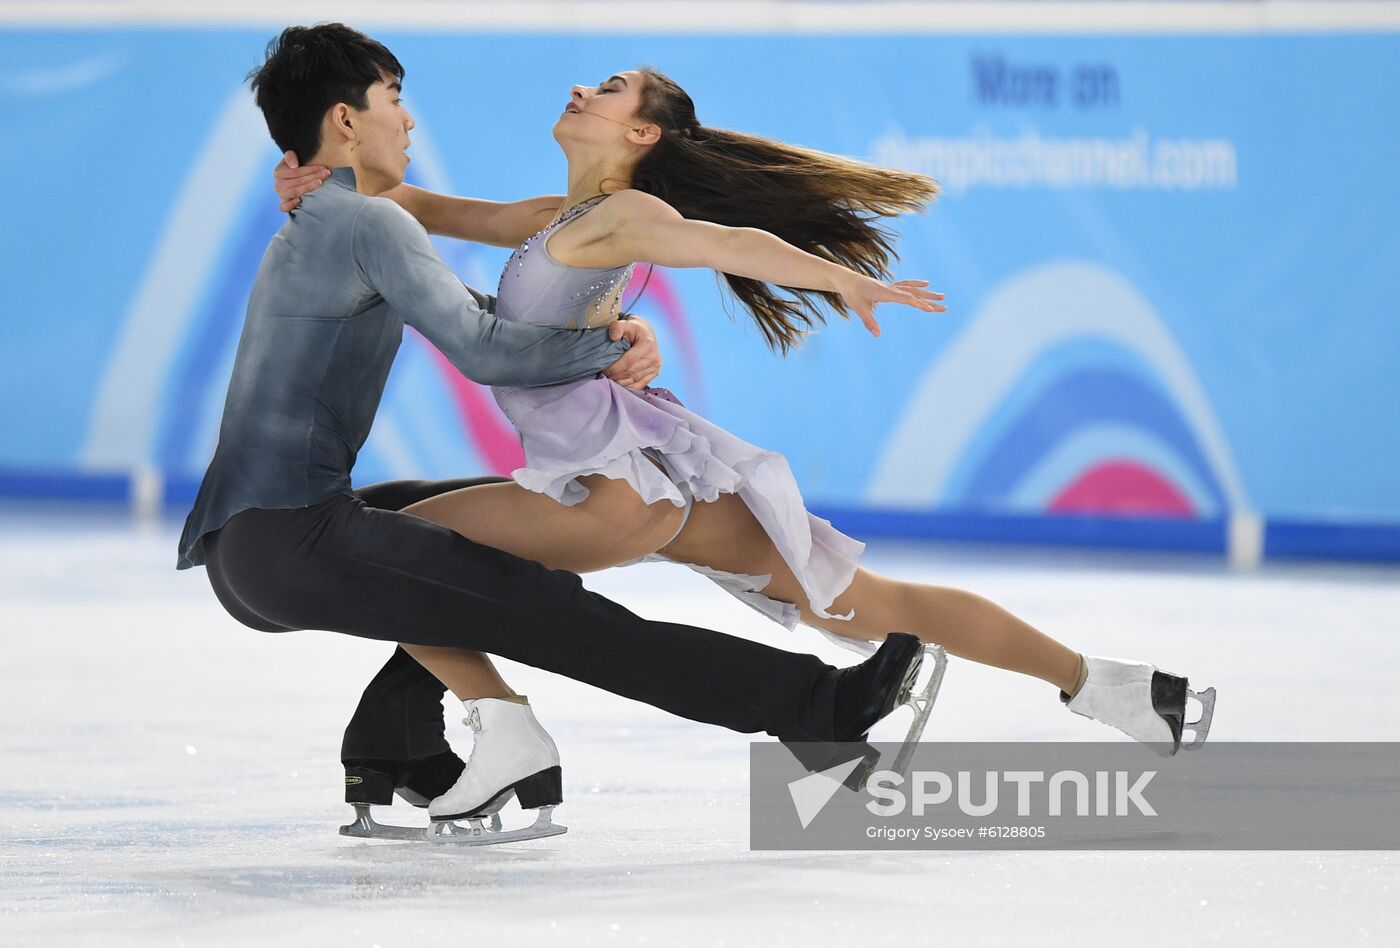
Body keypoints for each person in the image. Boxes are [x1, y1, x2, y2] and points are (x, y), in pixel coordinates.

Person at [275, 63, 1216, 823]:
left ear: (641, 135)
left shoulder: (625, 215)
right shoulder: (550, 218)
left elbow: (731, 244)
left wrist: (836, 279)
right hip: (647, 478)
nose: (581, 90)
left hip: (606, 489)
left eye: (609, 91)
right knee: (863, 600)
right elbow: (409, 205)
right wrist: (312, 184)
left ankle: (504, 731)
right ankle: (1109, 687)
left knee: (379, 557)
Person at [179, 24, 933, 832]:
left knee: (452, 545)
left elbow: (477, 314)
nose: (409, 121)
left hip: (259, 536)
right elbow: (484, 348)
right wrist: (608, 342)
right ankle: (814, 705)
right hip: (286, 539)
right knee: (541, 609)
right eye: (394, 100)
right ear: (346, 121)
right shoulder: (367, 223)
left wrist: (609, 339)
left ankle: (392, 741)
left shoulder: (336, 219)